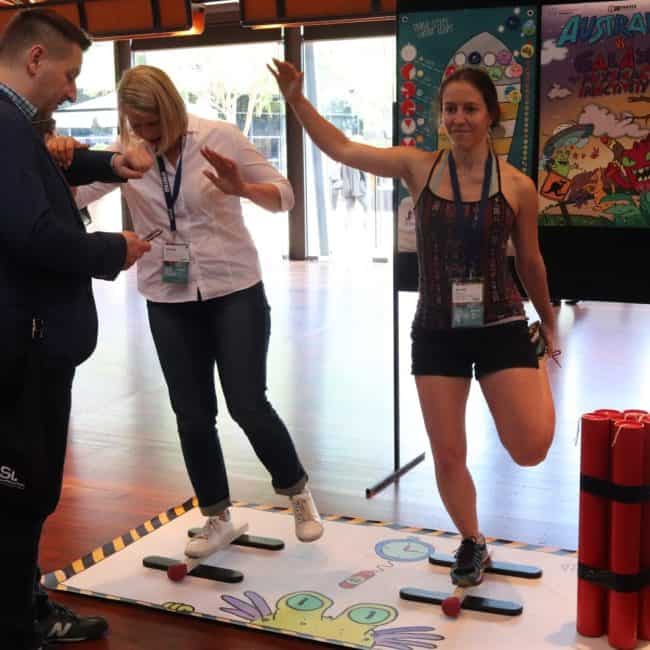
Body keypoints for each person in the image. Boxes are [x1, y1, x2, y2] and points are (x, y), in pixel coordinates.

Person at [269, 59, 557, 587]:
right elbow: (342, 148)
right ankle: (473, 540)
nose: (459, 118)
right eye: (450, 109)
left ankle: (533, 360)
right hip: (437, 331)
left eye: (470, 109)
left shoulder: (518, 186)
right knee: (448, 453)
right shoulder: (418, 167)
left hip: (501, 324)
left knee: (531, 449)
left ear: (491, 115)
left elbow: (532, 262)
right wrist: (297, 100)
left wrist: (550, 321)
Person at [73, 64, 323, 560]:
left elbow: (285, 196)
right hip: (168, 297)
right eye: (138, 125)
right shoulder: (126, 154)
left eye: (154, 124)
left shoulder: (219, 136)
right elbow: (72, 194)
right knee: (191, 413)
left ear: (171, 109)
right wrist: (65, 157)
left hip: (233, 287)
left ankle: (297, 492)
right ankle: (216, 515)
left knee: (247, 402)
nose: (147, 135)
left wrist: (242, 188)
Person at [0, 10, 152, 650]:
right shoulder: (5, 126)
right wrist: (112, 249)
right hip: (23, 344)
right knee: (20, 490)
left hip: (32, 339)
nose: (71, 90)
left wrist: (109, 164)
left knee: (26, 488)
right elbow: (31, 233)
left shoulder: (17, 125)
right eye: (69, 75)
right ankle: (18, 624)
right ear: (36, 58)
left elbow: (42, 177)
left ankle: (26, 605)